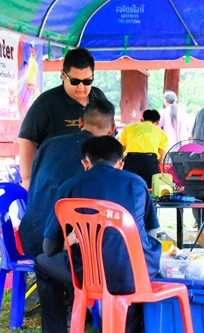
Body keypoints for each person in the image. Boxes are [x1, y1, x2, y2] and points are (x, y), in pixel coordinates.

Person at [37, 135, 161, 333]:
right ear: (120, 163)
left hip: (88, 275)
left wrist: (71, 240)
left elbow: (49, 248)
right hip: (136, 274)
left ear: (85, 163)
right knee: (135, 261)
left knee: (41, 262)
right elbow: (152, 231)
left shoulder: (69, 186)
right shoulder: (137, 183)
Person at [19, 99, 116, 258]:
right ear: (111, 130)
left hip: (31, 236)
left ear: (81, 122)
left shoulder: (49, 144)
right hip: (60, 246)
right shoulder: (100, 157)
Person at [18, 48, 108, 190]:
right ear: (62, 75)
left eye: (87, 81)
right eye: (75, 81)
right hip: (56, 183)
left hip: (94, 181)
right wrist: (28, 179)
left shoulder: (99, 98)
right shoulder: (46, 102)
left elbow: (110, 138)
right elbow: (27, 139)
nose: (81, 87)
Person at [119, 109, 169, 188]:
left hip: (131, 160)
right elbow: (161, 158)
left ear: (142, 120)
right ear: (157, 123)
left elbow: (122, 148)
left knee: (128, 187)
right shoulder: (161, 133)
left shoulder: (129, 128)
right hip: (150, 162)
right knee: (150, 188)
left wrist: (124, 160)